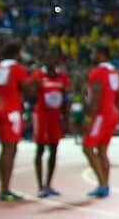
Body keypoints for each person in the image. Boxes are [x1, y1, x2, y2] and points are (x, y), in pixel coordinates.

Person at [0, 43, 31, 202]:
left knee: (4, 149)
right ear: (16, 54)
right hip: (12, 111)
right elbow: (26, 89)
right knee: (10, 149)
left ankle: (3, 187)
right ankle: (5, 189)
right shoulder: (17, 69)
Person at [32, 53, 72, 197]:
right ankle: (40, 186)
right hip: (42, 115)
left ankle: (48, 184)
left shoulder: (62, 76)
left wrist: (67, 119)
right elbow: (30, 94)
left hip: (55, 117)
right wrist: (34, 87)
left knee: (54, 149)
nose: (52, 61)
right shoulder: (38, 75)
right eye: (49, 58)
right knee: (40, 148)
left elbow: (66, 98)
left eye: (55, 59)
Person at [82, 46, 119, 198]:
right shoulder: (114, 72)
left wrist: (88, 119)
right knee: (103, 150)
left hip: (100, 114)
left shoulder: (97, 72)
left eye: (94, 52)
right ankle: (105, 184)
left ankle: (102, 184)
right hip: (112, 112)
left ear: (101, 54)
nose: (92, 55)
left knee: (87, 147)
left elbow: (96, 97)